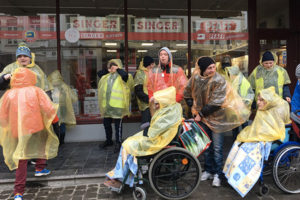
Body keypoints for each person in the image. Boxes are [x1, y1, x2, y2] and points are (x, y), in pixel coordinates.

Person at [184, 56, 250, 187]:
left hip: (218, 119)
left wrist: (200, 114)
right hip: (202, 118)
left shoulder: (219, 80)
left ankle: (218, 174)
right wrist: (193, 108)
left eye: (214, 67)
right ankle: (208, 170)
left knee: (217, 148)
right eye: (209, 68)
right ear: (202, 69)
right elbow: (187, 93)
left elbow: (217, 102)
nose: (212, 70)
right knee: (206, 146)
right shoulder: (196, 78)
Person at [103, 86, 182, 190]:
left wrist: (148, 128)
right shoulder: (171, 108)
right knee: (127, 144)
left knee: (127, 146)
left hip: (157, 141)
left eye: (158, 103)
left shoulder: (168, 114)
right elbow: (156, 126)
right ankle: (120, 176)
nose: (156, 105)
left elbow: (154, 131)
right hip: (157, 136)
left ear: (165, 102)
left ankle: (121, 177)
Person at [0, 68, 59, 200]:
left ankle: (18, 192)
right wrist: (55, 120)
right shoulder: (36, 91)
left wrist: (7, 128)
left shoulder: (9, 94)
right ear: (31, 77)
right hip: (35, 127)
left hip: (16, 130)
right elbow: (48, 108)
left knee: (21, 157)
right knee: (40, 144)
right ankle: (40, 167)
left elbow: (2, 116)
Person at [223, 87, 290, 197]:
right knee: (238, 144)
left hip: (273, 138)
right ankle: (232, 175)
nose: (257, 102)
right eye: (257, 99)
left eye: (260, 100)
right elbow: (258, 127)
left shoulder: (277, 108)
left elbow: (275, 129)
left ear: (267, 100)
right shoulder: (263, 109)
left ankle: (242, 181)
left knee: (246, 150)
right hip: (261, 136)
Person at [97, 59, 130, 152]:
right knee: (106, 124)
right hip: (107, 105)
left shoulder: (122, 76)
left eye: (114, 65)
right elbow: (99, 73)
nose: (112, 67)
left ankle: (118, 142)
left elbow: (125, 75)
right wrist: (108, 69)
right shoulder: (106, 76)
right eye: (110, 66)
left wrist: (118, 69)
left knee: (117, 126)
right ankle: (108, 140)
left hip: (117, 106)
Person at [220, 55, 254, 140]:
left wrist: (244, 103)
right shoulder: (230, 79)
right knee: (236, 128)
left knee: (243, 127)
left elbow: (249, 93)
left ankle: (243, 142)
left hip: (241, 108)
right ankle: (238, 142)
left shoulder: (239, 80)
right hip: (235, 109)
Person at [48, 70, 78, 145]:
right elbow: (73, 98)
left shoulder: (49, 86)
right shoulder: (64, 86)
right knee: (62, 123)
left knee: (55, 124)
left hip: (53, 109)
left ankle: (57, 141)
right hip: (63, 108)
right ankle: (61, 141)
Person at [134, 56, 155, 136]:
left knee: (153, 125)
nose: (154, 65)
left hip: (153, 103)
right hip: (145, 105)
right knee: (146, 125)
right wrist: (148, 99)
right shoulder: (140, 73)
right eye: (153, 64)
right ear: (150, 64)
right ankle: (145, 140)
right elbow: (138, 91)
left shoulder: (151, 72)